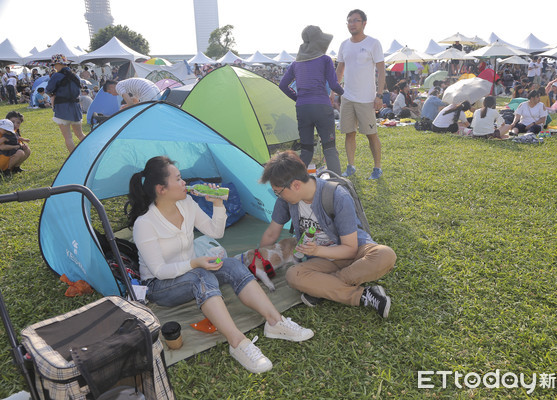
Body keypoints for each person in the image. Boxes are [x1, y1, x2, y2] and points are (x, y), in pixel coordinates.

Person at [129, 156, 313, 374]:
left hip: (191, 271)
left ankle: (275, 322)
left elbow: (216, 232)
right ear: (161, 189)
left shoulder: (186, 204)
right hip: (161, 285)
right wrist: (195, 262)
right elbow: (159, 271)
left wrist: (217, 203)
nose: (184, 182)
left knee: (231, 265)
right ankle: (238, 343)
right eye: (178, 179)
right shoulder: (145, 224)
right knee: (201, 275)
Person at [259, 151, 397, 318]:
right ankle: (363, 295)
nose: (278, 196)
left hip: (354, 253)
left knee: (385, 255)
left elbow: (350, 249)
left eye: (278, 192)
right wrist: (257, 260)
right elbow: (272, 232)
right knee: (293, 275)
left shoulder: (337, 196)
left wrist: (316, 251)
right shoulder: (286, 201)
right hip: (322, 262)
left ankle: (322, 287)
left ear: (295, 185)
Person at [278, 25, 344, 175]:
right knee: (329, 148)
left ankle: (294, 183)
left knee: (306, 150)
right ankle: (337, 184)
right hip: (322, 107)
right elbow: (334, 84)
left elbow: (282, 85)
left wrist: (298, 98)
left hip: (303, 108)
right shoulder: (325, 60)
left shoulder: (296, 64)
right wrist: (343, 93)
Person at [333, 9, 386, 180]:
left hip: (366, 98)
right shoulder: (344, 45)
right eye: (349, 21)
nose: (352, 24)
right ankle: (351, 166)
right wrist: (333, 92)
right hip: (347, 97)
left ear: (364, 23)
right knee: (349, 133)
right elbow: (340, 70)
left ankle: (377, 168)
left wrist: (379, 95)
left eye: (356, 20)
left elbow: (381, 70)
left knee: (371, 135)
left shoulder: (373, 43)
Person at [45, 54, 85, 153]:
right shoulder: (75, 76)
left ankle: (74, 159)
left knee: (68, 137)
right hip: (75, 108)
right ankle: (91, 151)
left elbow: (48, 90)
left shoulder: (56, 76)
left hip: (62, 108)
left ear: (58, 64)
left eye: (54, 65)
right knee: (80, 135)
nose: (54, 67)